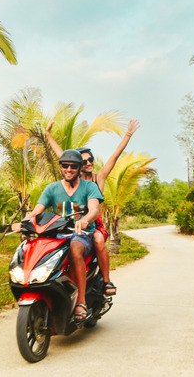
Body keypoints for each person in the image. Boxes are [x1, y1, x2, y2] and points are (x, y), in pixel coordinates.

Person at [45, 118, 140, 296]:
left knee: (97, 239)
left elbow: (115, 156)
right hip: (73, 223)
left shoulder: (99, 178)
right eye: (85, 161)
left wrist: (128, 134)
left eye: (91, 160)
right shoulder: (74, 179)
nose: (89, 163)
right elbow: (62, 155)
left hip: (95, 224)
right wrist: (48, 134)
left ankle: (106, 280)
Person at [13, 149, 103, 321]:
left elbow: (94, 209)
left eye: (73, 166)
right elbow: (37, 211)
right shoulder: (52, 188)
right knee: (36, 248)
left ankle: (81, 302)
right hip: (57, 233)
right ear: (61, 167)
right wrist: (23, 222)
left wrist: (85, 220)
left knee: (75, 249)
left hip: (81, 233)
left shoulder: (89, 186)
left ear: (79, 168)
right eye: (65, 166)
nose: (69, 169)